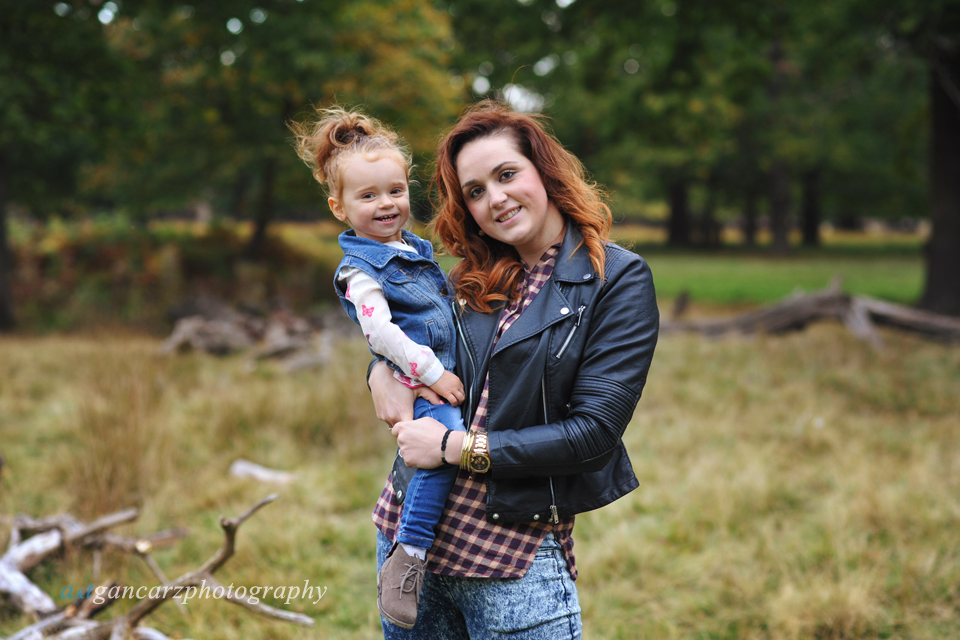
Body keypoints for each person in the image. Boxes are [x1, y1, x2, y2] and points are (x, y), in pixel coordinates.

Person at [368, 100, 659, 639]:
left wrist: (455, 449)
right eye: (475, 191)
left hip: (511, 554)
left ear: (543, 172)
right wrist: (377, 373)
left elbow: (593, 434)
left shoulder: (615, 279)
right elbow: (407, 342)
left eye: (507, 175)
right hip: (409, 536)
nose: (495, 199)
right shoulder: (467, 278)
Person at [291, 107, 468, 629]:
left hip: (440, 371)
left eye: (394, 190)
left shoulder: (413, 247)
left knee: (443, 449)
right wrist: (432, 373)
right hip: (421, 378)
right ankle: (408, 556)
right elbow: (381, 333)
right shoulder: (359, 270)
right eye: (367, 196)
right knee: (440, 451)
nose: (385, 204)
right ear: (338, 207)